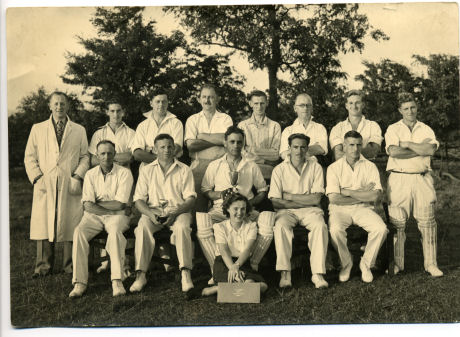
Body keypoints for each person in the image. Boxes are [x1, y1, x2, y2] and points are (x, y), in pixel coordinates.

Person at [197, 126, 275, 283]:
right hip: (221, 209)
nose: (236, 145)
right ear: (225, 143)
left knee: (267, 220)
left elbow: (262, 190)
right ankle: (217, 270)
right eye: (232, 142)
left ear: (243, 144)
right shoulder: (215, 165)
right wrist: (220, 194)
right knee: (203, 221)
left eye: (239, 142)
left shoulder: (251, 165)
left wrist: (249, 204)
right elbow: (205, 190)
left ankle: (252, 265)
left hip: (245, 210)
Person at [24, 91, 89, 277]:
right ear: (50, 106)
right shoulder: (38, 128)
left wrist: (78, 176)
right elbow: (29, 157)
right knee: (45, 222)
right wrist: (37, 178)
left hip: (70, 182)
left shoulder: (79, 129)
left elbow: (85, 156)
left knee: (71, 221)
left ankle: (70, 266)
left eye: (62, 103)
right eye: (56, 104)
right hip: (46, 182)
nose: (59, 107)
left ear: (67, 106)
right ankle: (43, 266)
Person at [385, 93, 443, 277]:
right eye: (406, 108)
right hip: (399, 178)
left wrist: (408, 143)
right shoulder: (393, 129)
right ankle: (397, 264)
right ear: (400, 110)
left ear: (417, 107)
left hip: (422, 178)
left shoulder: (426, 129)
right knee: (397, 223)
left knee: (427, 222)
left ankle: (431, 264)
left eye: (413, 107)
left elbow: (430, 150)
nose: (410, 111)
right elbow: (394, 152)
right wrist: (419, 149)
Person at [129, 134, 197, 293]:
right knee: (142, 227)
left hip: (179, 211)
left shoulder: (184, 169)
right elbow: (138, 200)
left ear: (175, 149)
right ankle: (141, 275)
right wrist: (150, 214)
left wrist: (175, 213)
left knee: (182, 228)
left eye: (169, 147)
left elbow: (190, 199)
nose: (166, 150)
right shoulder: (146, 170)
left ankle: (185, 274)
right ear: (154, 149)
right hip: (153, 211)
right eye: (162, 147)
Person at [69, 140, 134, 298]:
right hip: (94, 216)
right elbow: (88, 206)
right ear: (97, 156)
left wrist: (98, 203)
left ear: (115, 154)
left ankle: (117, 280)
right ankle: (80, 282)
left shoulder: (125, 173)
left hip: (118, 217)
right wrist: (108, 207)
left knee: (115, 233)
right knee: (79, 232)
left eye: (110, 153)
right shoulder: (90, 174)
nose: (106, 157)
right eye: (102, 154)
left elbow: (120, 204)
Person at [326, 131, 388, 283]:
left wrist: (346, 191)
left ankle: (366, 263)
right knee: (335, 230)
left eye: (359, 145)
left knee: (381, 229)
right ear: (344, 146)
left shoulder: (370, 166)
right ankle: (346, 263)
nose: (355, 149)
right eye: (351, 145)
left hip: (363, 209)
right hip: (339, 210)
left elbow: (375, 196)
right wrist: (361, 193)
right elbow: (334, 198)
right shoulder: (333, 168)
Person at [268, 133, 329, 289]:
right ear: (289, 148)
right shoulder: (279, 170)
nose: (299, 151)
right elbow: (275, 201)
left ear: (307, 149)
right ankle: (285, 272)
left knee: (320, 226)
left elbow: (316, 199)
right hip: (286, 212)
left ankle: (318, 274)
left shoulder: (315, 167)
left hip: (311, 211)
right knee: (281, 226)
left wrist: (289, 197)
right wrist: (303, 200)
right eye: (295, 147)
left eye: (303, 147)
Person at [202, 193, 268, 296]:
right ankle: (215, 289)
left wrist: (236, 265)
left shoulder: (251, 226)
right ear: (227, 209)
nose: (239, 213)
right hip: (224, 262)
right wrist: (232, 267)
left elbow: (247, 250)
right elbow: (223, 250)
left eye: (243, 209)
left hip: (241, 262)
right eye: (235, 209)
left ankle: (220, 289)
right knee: (240, 282)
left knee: (262, 286)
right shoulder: (220, 227)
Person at [184, 84, 233, 211]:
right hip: (198, 165)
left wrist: (202, 136)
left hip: (221, 165)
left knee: (222, 204)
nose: (207, 100)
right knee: (198, 207)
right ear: (199, 99)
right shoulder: (192, 120)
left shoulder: (225, 118)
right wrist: (218, 140)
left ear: (217, 99)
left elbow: (228, 140)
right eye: (204, 97)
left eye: (211, 97)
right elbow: (191, 145)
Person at [131, 89, 183, 169]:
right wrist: (163, 158)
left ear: (168, 103)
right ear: (151, 103)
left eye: (164, 101)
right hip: (147, 170)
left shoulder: (176, 123)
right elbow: (137, 154)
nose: (161, 104)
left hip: (170, 169)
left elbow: (176, 149)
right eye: (157, 101)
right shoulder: (143, 125)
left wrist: (150, 152)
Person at [237, 90, 281, 179]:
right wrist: (264, 159)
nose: (259, 107)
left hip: (267, 170)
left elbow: (276, 154)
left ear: (267, 103)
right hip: (247, 169)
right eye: (256, 103)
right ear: (250, 104)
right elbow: (241, 152)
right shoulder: (242, 126)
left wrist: (252, 150)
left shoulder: (275, 126)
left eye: (262, 103)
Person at [329, 90, 382, 161]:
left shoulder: (373, 126)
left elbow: (373, 151)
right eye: (351, 103)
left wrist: (347, 152)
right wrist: (361, 152)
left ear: (363, 105)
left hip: (366, 169)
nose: (354, 106)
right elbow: (338, 155)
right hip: (343, 170)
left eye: (357, 103)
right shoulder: (337, 128)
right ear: (346, 106)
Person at [279, 94, 328, 162]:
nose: (305, 108)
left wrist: (294, 149)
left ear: (312, 108)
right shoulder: (288, 130)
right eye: (302, 105)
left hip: (314, 166)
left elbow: (321, 149)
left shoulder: (320, 128)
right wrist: (313, 148)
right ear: (295, 108)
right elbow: (283, 154)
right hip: (292, 167)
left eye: (308, 105)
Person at [88, 101, 135, 168]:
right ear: (107, 112)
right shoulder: (99, 134)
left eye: (118, 111)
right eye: (112, 111)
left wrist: (103, 157)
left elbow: (129, 157)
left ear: (123, 112)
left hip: (124, 175)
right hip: (102, 176)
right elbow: (93, 160)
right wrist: (120, 157)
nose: (115, 115)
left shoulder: (131, 133)